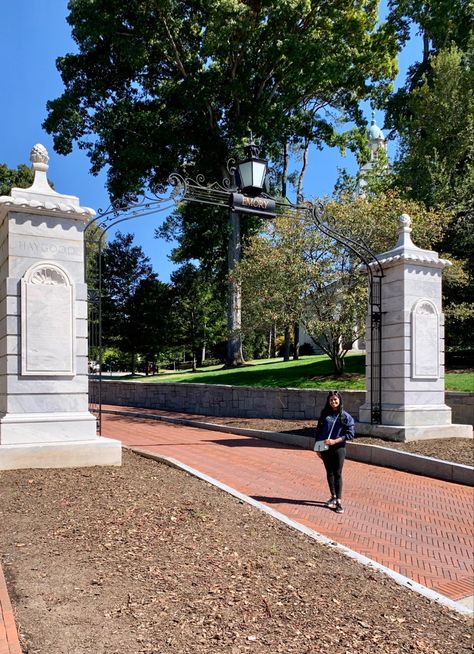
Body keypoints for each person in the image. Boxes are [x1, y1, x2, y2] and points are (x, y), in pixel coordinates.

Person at [314, 391, 355, 514]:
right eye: (331, 400)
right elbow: (318, 431)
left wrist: (335, 441)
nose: (333, 402)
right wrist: (317, 447)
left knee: (337, 474)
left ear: (340, 401)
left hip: (338, 449)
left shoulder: (345, 416)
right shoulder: (324, 414)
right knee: (329, 473)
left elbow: (350, 434)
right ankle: (333, 496)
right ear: (328, 401)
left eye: (335, 400)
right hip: (325, 448)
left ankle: (339, 502)